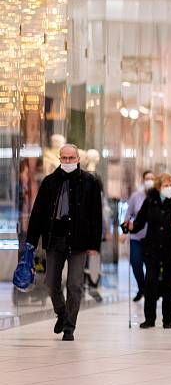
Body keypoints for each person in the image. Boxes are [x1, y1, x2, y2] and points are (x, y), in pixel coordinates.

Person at [25, 143, 103, 341]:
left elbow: (96, 215)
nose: (67, 161)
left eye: (71, 158)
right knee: (51, 282)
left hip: (79, 241)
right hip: (55, 239)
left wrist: (94, 245)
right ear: (60, 159)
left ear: (78, 159)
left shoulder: (89, 182)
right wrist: (31, 242)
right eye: (64, 158)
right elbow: (38, 213)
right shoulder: (50, 182)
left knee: (75, 284)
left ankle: (69, 327)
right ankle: (61, 313)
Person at [128, 173, 171, 329]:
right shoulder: (150, 201)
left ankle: (167, 320)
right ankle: (149, 319)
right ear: (158, 187)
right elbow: (139, 223)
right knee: (150, 283)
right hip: (152, 249)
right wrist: (129, 226)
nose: (169, 188)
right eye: (165, 185)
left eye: (170, 184)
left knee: (169, 286)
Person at [124, 170, 155, 302]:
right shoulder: (136, 196)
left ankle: (149, 290)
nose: (150, 181)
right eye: (147, 178)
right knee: (136, 262)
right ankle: (141, 287)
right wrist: (124, 231)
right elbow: (128, 214)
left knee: (150, 266)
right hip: (136, 236)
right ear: (143, 180)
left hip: (151, 237)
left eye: (152, 178)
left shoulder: (157, 196)